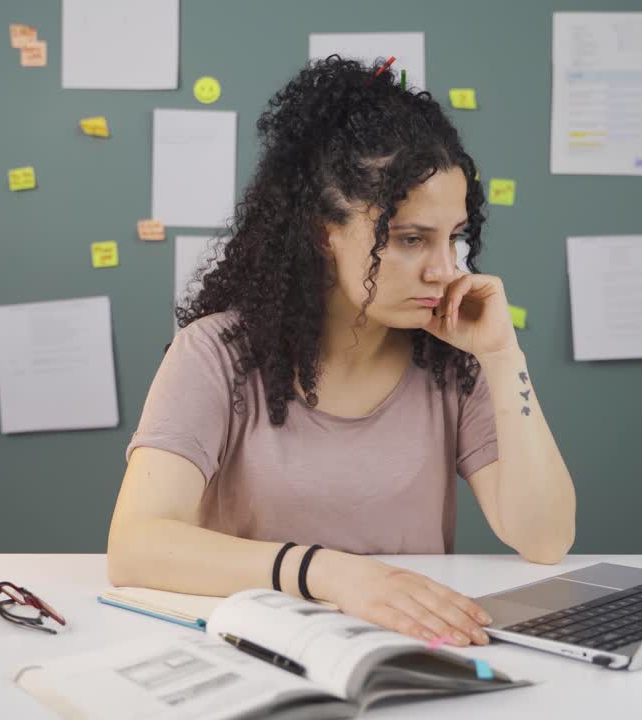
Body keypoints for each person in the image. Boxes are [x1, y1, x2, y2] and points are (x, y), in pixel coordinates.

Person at [107, 56, 575, 648]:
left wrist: (504, 357)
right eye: (409, 239)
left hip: (403, 654)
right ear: (322, 233)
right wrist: (331, 573)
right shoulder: (215, 353)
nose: (442, 270)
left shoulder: (452, 363)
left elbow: (546, 537)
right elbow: (135, 544)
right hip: (249, 654)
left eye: (453, 238)